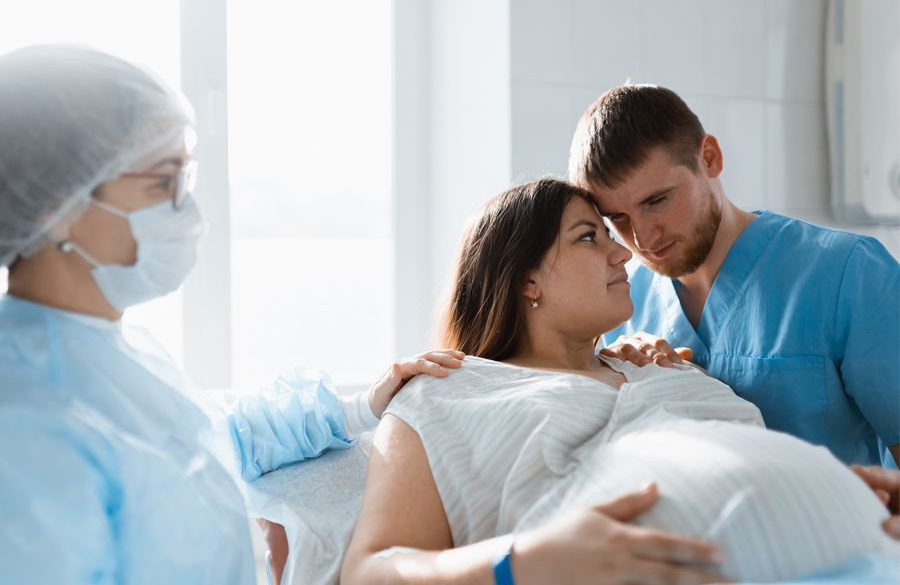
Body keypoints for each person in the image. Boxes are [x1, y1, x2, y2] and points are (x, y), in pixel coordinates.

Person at [0, 44, 462, 583]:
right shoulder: (25, 422)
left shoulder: (109, 350)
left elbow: (212, 433)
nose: (188, 209)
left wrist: (361, 407)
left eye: (185, 179)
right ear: (54, 206)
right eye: (161, 182)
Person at [341, 179, 897, 585]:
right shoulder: (446, 390)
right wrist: (522, 561)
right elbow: (369, 572)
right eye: (589, 237)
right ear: (525, 278)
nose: (623, 250)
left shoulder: (662, 364)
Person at [567, 84, 900, 471]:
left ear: (709, 158)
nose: (643, 238)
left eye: (656, 201)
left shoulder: (849, 273)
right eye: (617, 219)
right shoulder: (620, 307)